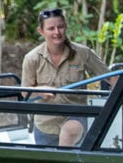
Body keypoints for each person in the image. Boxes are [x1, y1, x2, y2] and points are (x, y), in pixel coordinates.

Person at [22, 8, 109, 146]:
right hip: (45, 125)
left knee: (68, 133)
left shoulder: (82, 53)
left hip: (76, 117)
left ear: (65, 27)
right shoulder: (32, 58)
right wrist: (39, 90)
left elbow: (111, 77)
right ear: (41, 31)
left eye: (60, 27)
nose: (57, 32)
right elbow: (25, 92)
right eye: (51, 28)